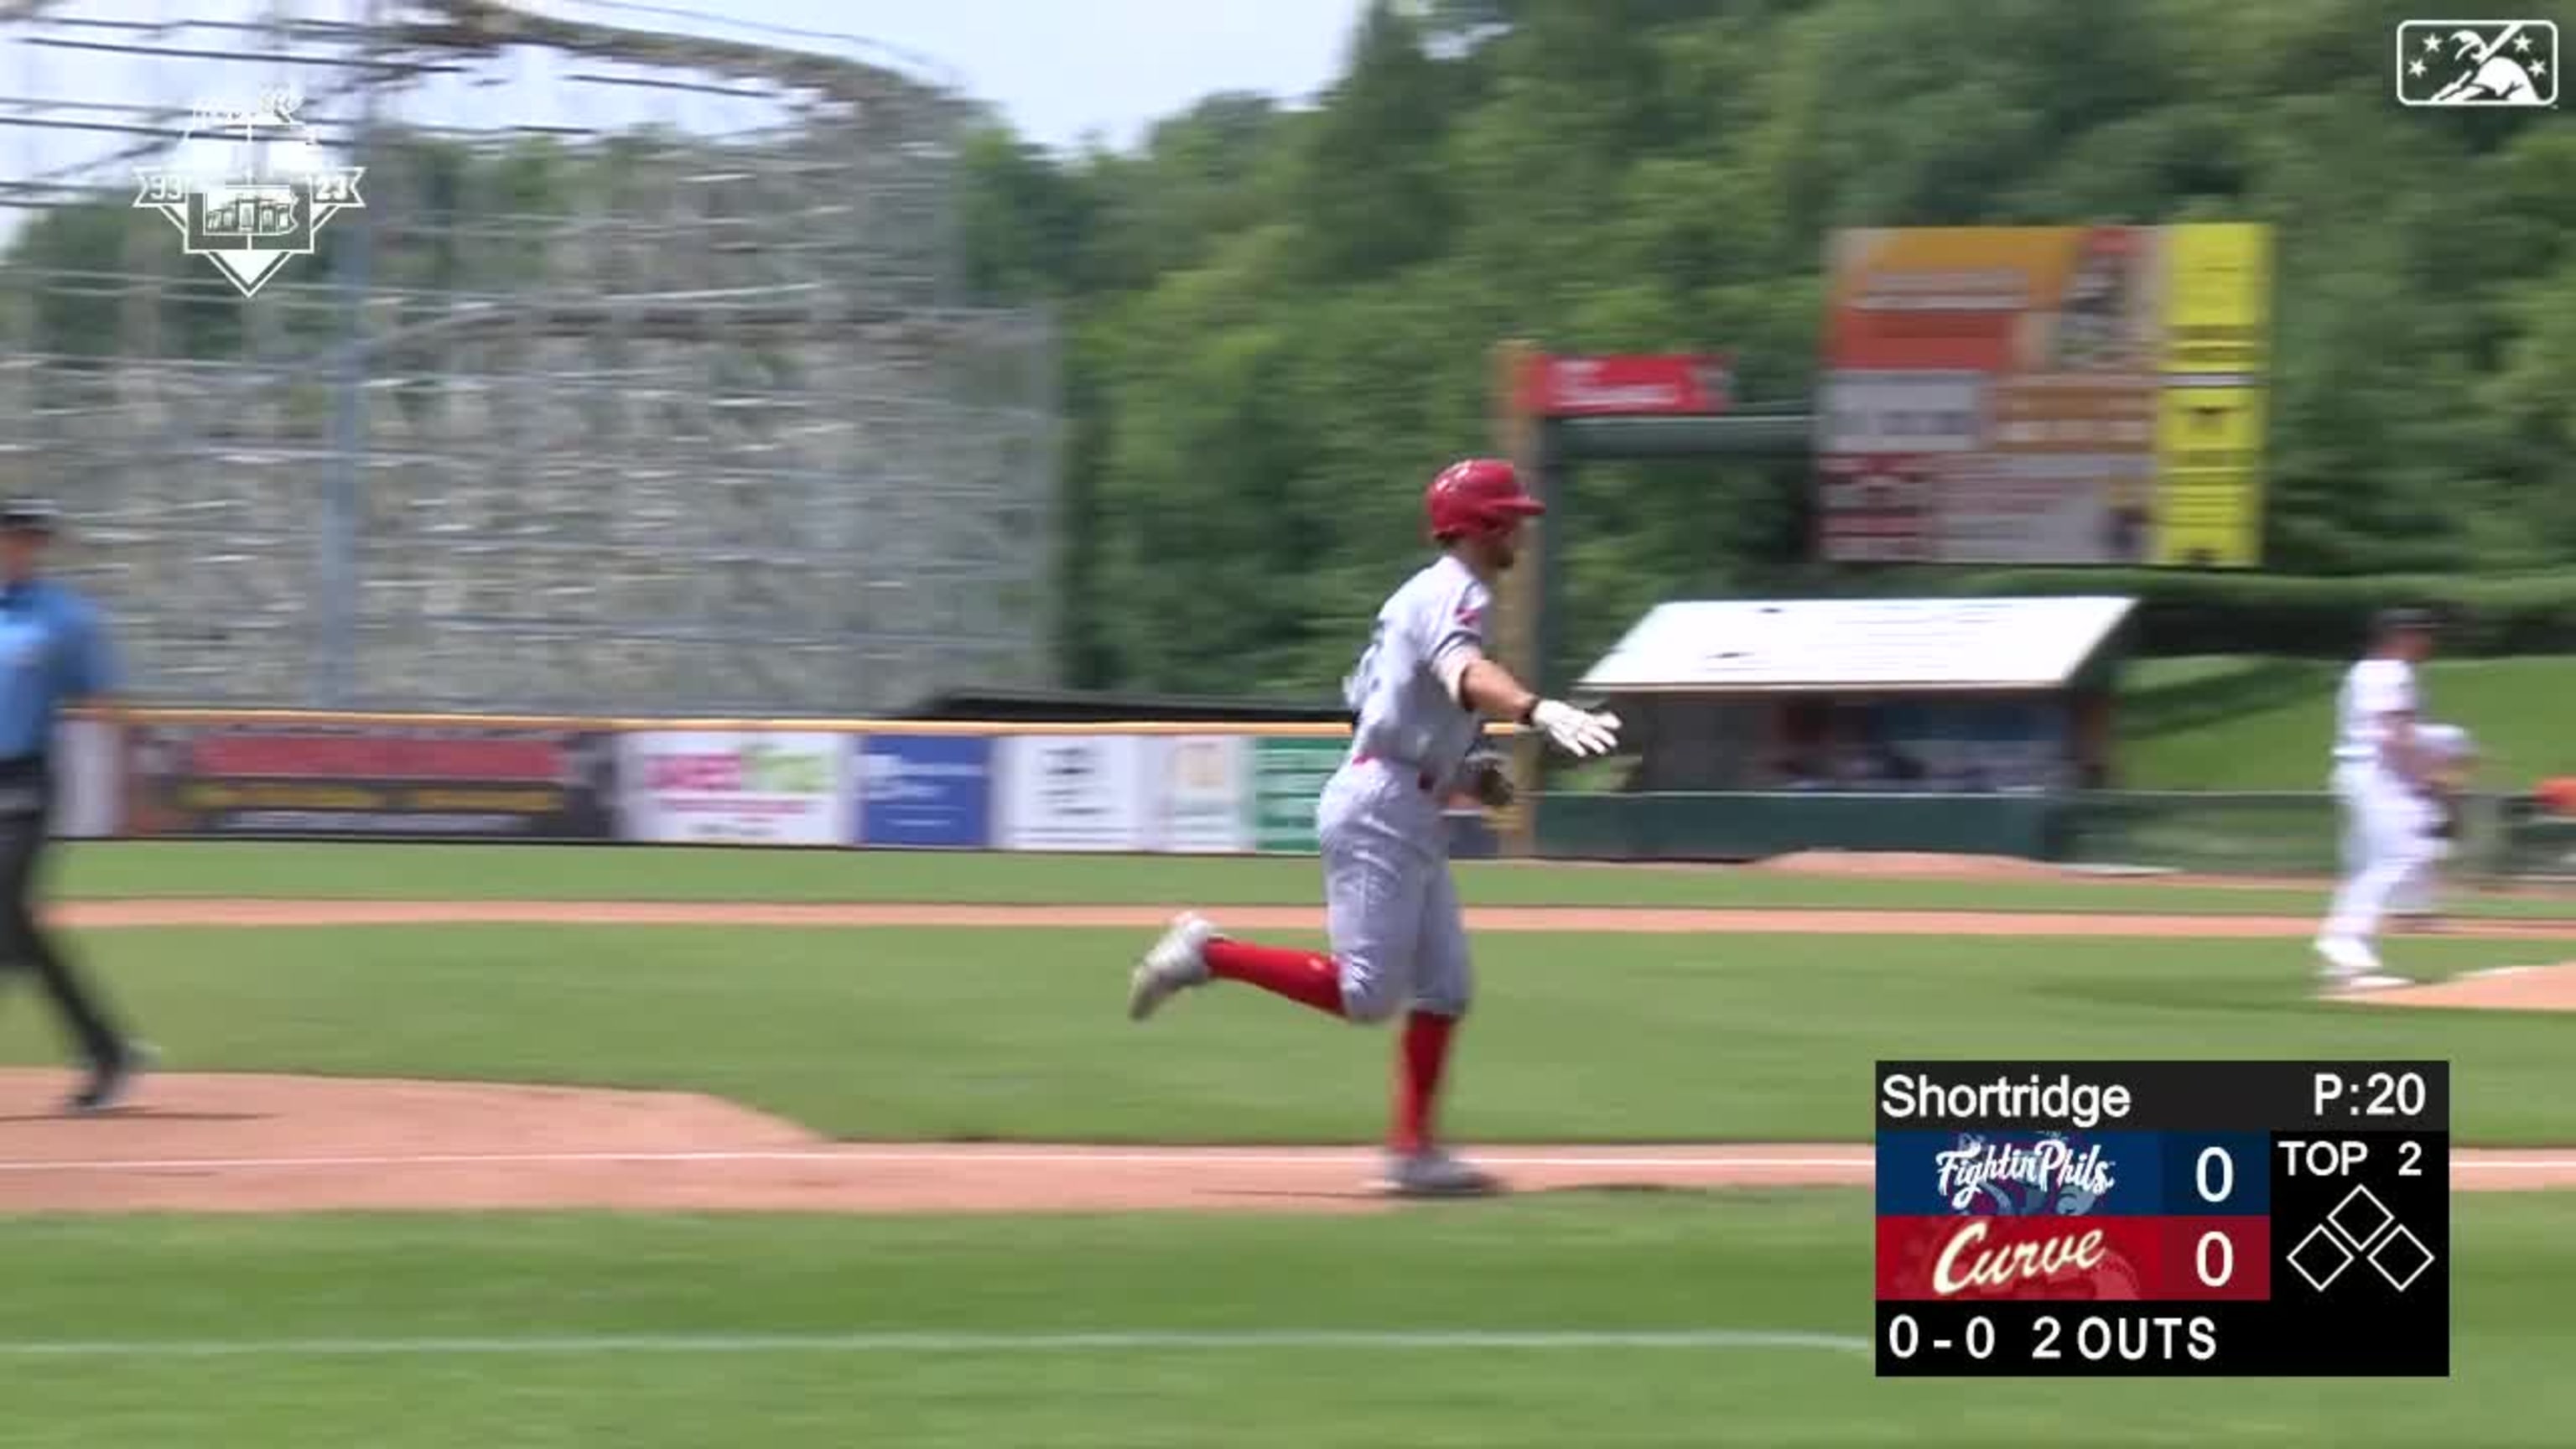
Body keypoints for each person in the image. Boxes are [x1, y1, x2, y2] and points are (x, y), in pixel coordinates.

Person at [1122, 459, 1622, 1196]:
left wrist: (1469, 767)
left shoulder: (1429, 592)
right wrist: (1536, 709)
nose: (1520, 527)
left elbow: (1394, 707)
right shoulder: (1455, 590)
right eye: (1510, 515)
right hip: (1382, 804)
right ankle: (1209, 952)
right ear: (1482, 525)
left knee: (1445, 988)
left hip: (1405, 801)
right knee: (1366, 995)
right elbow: (1462, 675)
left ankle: (1413, 1155)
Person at [0, 500, 152, 1109]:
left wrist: (133, 784)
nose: (24, 547)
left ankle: (107, 1051)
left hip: (23, 782)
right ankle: (108, 1051)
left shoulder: (64, 618)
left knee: (3, 903)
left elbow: (100, 698)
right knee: (11, 927)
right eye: (15, 536)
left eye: (33, 539)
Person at [2314, 607, 2441, 991]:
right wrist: (2424, 779)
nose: (2428, 640)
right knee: (2404, 853)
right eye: (2421, 632)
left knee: (2367, 864)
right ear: (2399, 636)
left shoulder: (2365, 671)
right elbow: (2395, 731)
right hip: (2377, 774)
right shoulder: (2390, 672)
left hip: (2361, 772)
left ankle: (2347, 967)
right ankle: (2344, 940)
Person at [2390, 723, 2475, 932]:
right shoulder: (2429, 770)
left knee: (2422, 863)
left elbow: (2445, 790)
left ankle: (2411, 915)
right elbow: (2444, 790)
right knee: (2420, 864)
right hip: (2412, 816)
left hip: (2419, 816)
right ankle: (2412, 916)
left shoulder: (2425, 769)